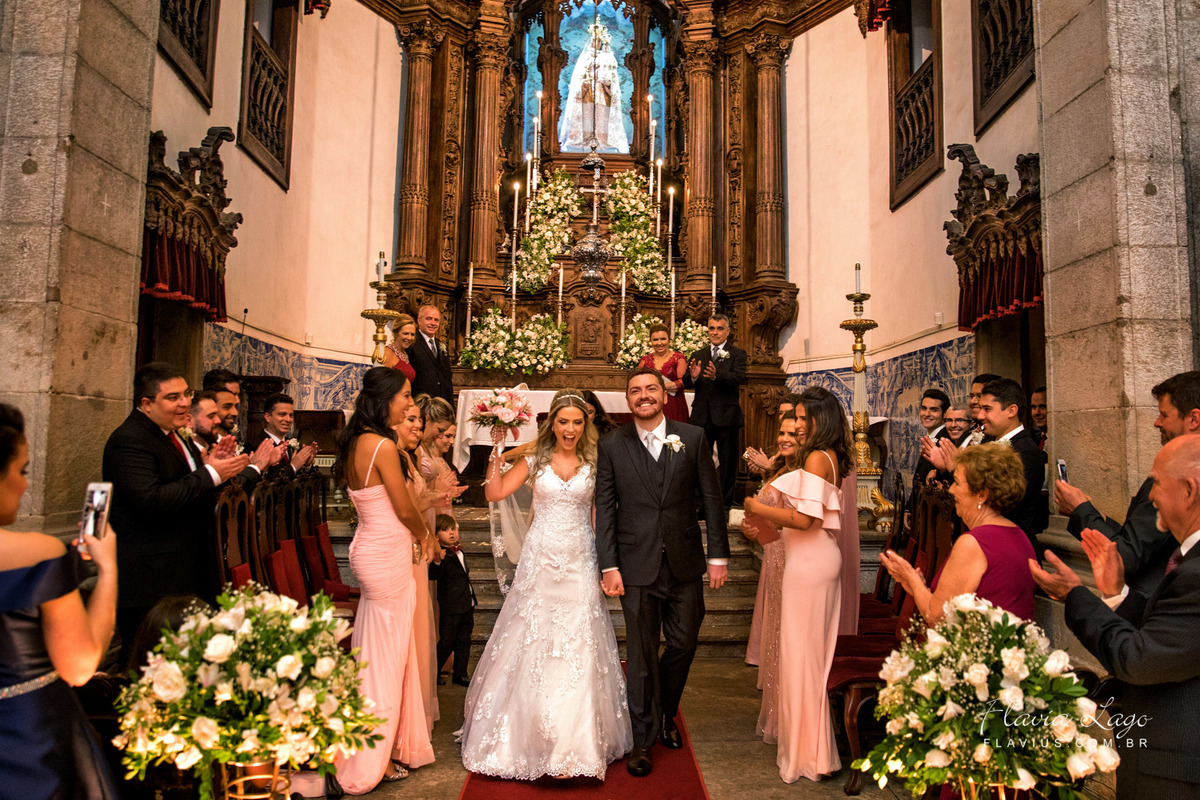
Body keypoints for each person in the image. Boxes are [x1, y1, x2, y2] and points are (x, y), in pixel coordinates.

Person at [460, 391, 632, 780]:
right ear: (551, 424)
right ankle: (529, 736)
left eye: (576, 422)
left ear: (584, 424)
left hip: (580, 560)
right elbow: (493, 492)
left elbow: (598, 516)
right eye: (563, 421)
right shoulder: (534, 460)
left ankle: (576, 744)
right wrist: (497, 451)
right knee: (534, 637)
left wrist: (608, 564)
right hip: (540, 560)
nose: (570, 429)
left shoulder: (595, 461)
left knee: (579, 640)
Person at [1030, 434, 1200, 800]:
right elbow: (1171, 634)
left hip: (1178, 769)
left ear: (1189, 490)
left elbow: (1139, 659)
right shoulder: (1191, 561)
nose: (1151, 496)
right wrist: (1116, 593)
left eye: (1156, 482)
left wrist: (1074, 595)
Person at [291, 367, 435, 797]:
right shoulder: (384, 446)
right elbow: (406, 507)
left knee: (376, 651)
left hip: (370, 546)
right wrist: (425, 535)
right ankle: (373, 756)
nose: (410, 404)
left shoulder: (357, 441)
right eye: (405, 397)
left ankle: (384, 743)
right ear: (385, 400)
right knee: (385, 660)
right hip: (388, 550)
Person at [595, 367, 729, 777]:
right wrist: (609, 564)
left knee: (684, 643)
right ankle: (642, 740)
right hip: (635, 566)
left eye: (650, 388)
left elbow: (711, 499)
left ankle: (665, 710)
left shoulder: (691, 438)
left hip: (684, 562)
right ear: (628, 400)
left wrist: (718, 556)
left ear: (663, 393)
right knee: (639, 656)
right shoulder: (612, 444)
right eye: (635, 391)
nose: (643, 396)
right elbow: (606, 508)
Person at [0, 403, 121, 799]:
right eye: (23, 471)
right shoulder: (36, 552)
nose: (25, 485)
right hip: (26, 739)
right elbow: (81, 666)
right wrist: (107, 570)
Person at [742, 386, 852, 783]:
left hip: (810, 561)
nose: (799, 425)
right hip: (808, 558)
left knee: (803, 659)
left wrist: (756, 507)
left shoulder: (821, 458)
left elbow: (806, 521)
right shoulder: (821, 456)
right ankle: (810, 750)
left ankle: (811, 756)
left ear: (822, 420)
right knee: (801, 657)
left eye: (805, 419)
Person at [102, 363, 249, 659]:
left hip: (184, 571)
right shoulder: (130, 440)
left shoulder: (174, 434)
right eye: (172, 397)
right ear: (146, 404)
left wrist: (211, 468)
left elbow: (190, 488)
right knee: (149, 669)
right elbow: (152, 500)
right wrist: (210, 474)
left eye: (186, 394)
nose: (184, 403)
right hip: (152, 580)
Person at [1055, 371, 1200, 599]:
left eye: (1164, 414)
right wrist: (1097, 517)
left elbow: (1126, 555)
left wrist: (1080, 510)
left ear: (1193, 419)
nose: (1156, 422)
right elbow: (1141, 539)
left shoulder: (1179, 477)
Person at [880, 443, 1037, 623]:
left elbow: (936, 616)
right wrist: (919, 587)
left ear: (981, 494)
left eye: (957, 482)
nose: (952, 490)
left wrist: (909, 577)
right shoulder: (1019, 535)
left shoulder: (973, 543)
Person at [743, 412, 801, 738]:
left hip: (793, 557)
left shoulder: (805, 473)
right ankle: (780, 705)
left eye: (792, 432)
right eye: (781, 431)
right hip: (776, 554)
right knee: (777, 629)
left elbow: (797, 518)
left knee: (789, 634)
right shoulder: (781, 466)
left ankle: (793, 715)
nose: (784, 438)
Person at [395, 401, 442, 738]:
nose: (417, 427)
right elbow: (406, 507)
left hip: (416, 544)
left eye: (418, 420)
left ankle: (417, 714)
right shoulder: (391, 457)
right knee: (408, 632)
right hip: (405, 544)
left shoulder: (407, 457)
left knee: (420, 628)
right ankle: (403, 720)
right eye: (409, 419)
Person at [683, 314, 748, 507]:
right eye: (712, 328)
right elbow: (687, 381)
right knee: (700, 461)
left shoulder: (738, 354)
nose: (715, 332)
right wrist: (693, 378)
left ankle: (725, 504)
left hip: (727, 416)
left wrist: (716, 375)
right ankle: (701, 504)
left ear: (728, 331)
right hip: (702, 416)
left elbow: (738, 378)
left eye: (720, 328)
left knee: (728, 464)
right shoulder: (698, 354)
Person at [428, 514, 475, 687]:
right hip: (451, 606)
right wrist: (438, 560)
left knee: (464, 639)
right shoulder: (440, 554)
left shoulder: (459, 551)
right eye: (445, 530)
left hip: (467, 603)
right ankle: (432, 674)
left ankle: (460, 673)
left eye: (454, 528)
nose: (452, 533)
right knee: (447, 641)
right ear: (436, 535)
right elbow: (432, 575)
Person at [253, 393, 317, 478]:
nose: (288, 420)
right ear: (268, 417)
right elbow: (263, 481)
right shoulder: (256, 445)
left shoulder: (295, 445)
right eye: (282, 415)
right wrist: (293, 466)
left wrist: (306, 465)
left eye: (290, 415)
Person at [638, 323, 689, 423]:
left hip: (673, 403)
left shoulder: (678, 358)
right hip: (652, 403)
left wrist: (661, 386)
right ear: (651, 341)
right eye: (655, 340)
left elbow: (684, 382)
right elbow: (637, 382)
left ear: (669, 340)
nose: (659, 343)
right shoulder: (645, 360)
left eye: (663, 339)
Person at [408, 305, 453, 405]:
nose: (433, 323)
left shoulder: (441, 345)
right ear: (419, 320)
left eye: (436, 320)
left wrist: (450, 407)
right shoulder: (411, 343)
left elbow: (447, 379)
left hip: (441, 403)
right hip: (420, 402)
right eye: (429, 319)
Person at [913, 388, 950, 482]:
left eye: (934, 410)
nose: (927, 414)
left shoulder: (945, 441)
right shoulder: (931, 436)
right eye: (924, 408)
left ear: (944, 414)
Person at [383, 314, 417, 384]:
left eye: (412, 334)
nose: (409, 338)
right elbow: (381, 383)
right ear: (396, 333)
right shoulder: (387, 352)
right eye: (405, 333)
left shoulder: (405, 354)